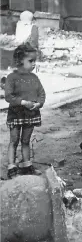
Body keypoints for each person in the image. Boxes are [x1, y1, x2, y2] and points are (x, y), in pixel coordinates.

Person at [5, 43, 46, 179]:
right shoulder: (12, 77)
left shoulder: (35, 78)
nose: (34, 64)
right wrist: (23, 102)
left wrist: (38, 104)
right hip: (16, 114)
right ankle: (12, 166)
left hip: (30, 114)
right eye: (31, 61)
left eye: (35, 61)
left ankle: (26, 165)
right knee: (14, 140)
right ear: (20, 60)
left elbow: (42, 93)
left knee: (26, 140)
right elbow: (8, 96)